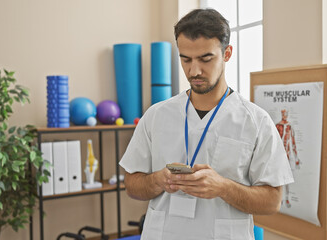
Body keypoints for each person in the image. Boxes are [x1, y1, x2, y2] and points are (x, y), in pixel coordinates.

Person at [119, 8, 293, 240]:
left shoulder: (256, 122)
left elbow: (272, 201)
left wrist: (223, 187)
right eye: (186, 59)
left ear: (227, 53)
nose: (194, 70)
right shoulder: (156, 115)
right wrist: (156, 180)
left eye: (205, 59)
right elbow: (132, 185)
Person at [275, 109, 301, 208]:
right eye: (283, 114)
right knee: (279, 179)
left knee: (286, 179)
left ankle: (286, 198)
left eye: (286, 114)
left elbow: (293, 142)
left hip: (287, 155)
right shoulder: (278, 126)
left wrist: (296, 158)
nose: (284, 115)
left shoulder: (289, 127)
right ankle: (280, 199)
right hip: (278, 156)